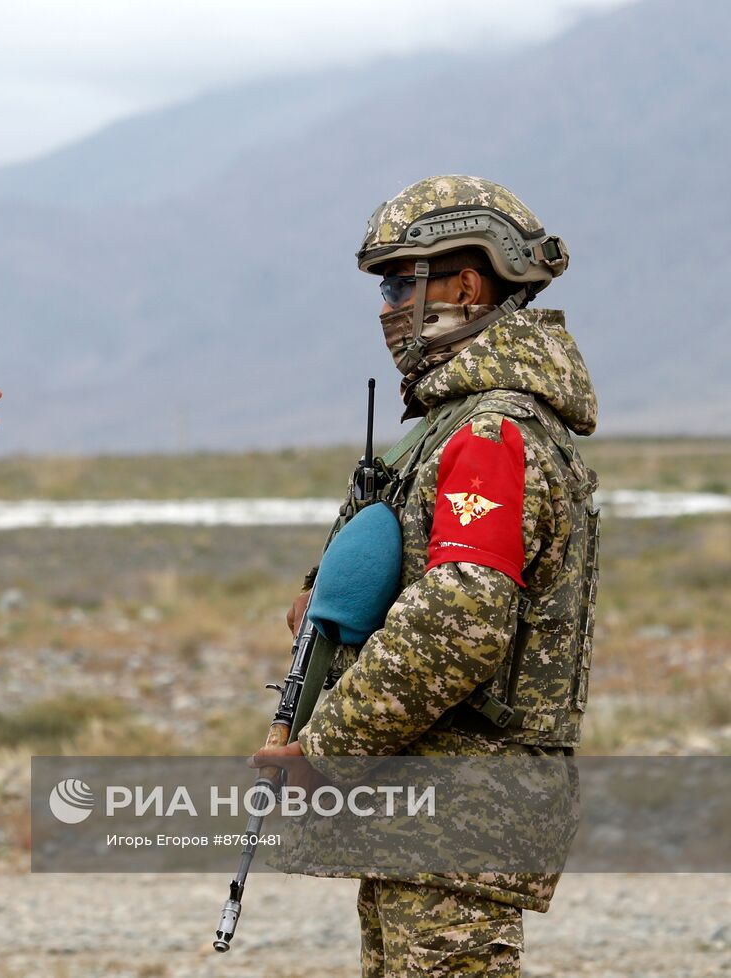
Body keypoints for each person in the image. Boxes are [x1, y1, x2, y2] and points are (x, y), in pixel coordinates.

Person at [251, 175, 600, 976]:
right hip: (428, 814)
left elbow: (458, 623)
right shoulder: (456, 429)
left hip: (460, 811)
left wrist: (324, 750)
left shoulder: (489, 433)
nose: (385, 306)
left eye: (401, 281)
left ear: (469, 285)